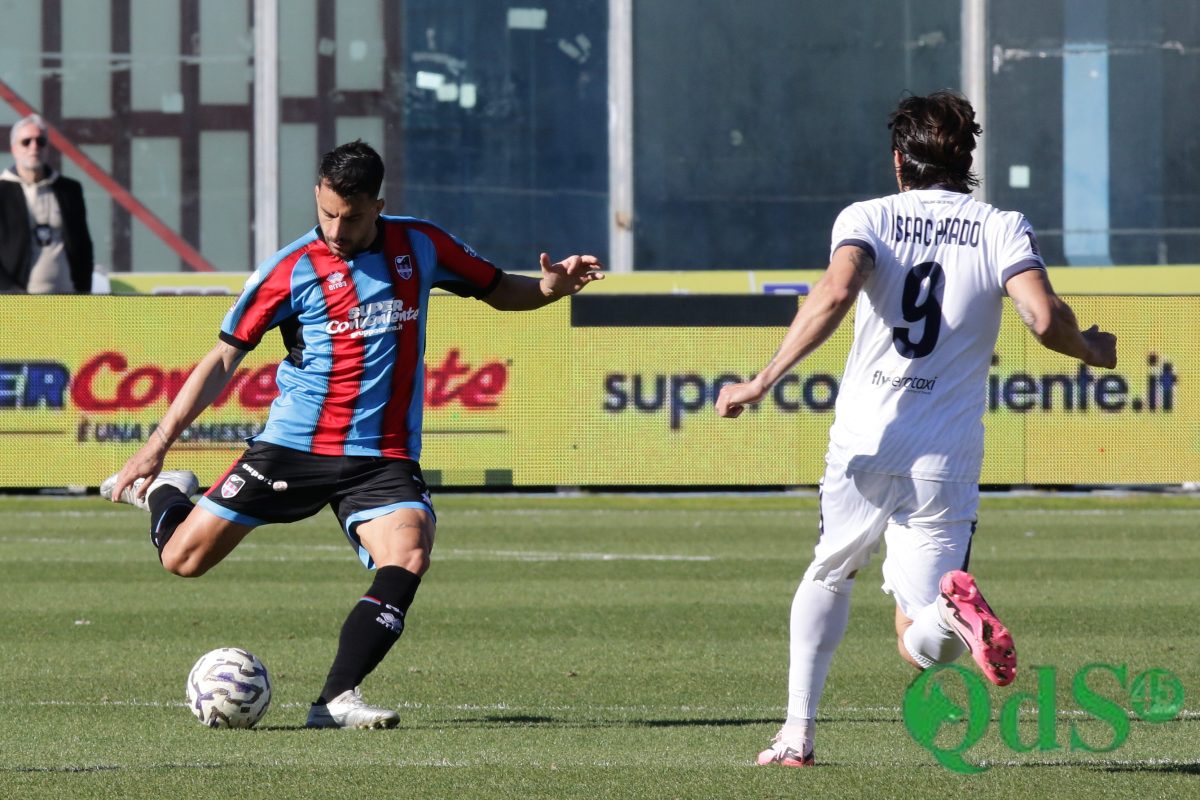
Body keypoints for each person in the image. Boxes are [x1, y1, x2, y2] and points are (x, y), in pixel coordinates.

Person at [101, 139, 603, 728]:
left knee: (409, 552)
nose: (338, 230)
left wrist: (549, 288)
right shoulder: (288, 270)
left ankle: (335, 700)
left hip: (381, 455)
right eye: (328, 213)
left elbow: (498, 288)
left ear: (379, 205)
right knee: (183, 561)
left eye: (354, 216)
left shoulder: (422, 243)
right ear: (317, 195)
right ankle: (165, 494)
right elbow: (222, 359)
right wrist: (157, 448)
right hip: (294, 446)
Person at [716, 91, 1117, 767]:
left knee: (829, 573)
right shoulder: (1001, 226)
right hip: (946, 454)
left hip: (865, 440)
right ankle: (953, 612)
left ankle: (796, 737)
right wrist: (1092, 351)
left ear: (899, 161)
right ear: (966, 161)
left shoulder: (868, 216)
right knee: (921, 639)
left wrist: (762, 380)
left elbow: (835, 294)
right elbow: (1044, 320)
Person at [0, 114, 95, 293]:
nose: (34, 147)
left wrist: (83, 290)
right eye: (26, 142)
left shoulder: (69, 190)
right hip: (18, 304)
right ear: (14, 149)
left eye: (40, 141)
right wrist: (11, 293)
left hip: (67, 300)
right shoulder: (3, 192)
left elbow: (83, 247)